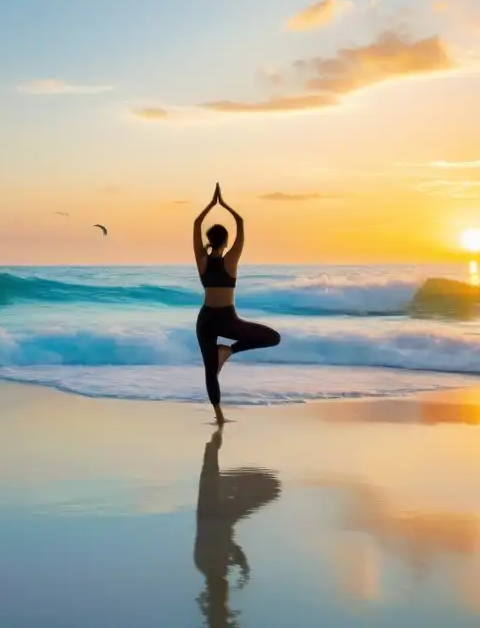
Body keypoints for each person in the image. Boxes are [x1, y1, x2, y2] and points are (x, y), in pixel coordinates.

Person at [193, 183, 281, 425]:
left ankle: (219, 416)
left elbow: (196, 225)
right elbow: (241, 223)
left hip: (206, 320)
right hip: (227, 319)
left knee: (210, 373)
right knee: (273, 337)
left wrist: (211, 205)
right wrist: (224, 205)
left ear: (210, 240)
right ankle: (229, 351)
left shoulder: (202, 260)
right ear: (227, 241)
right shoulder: (231, 259)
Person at [194, 428, 281, 627]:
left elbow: (221, 541)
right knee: (211, 471)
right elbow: (225, 543)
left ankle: (214, 443)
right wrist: (240, 560)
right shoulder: (206, 565)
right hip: (217, 515)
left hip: (216, 514)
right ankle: (214, 442)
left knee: (211, 472)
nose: (227, 595)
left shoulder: (210, 564)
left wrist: (240, 560)